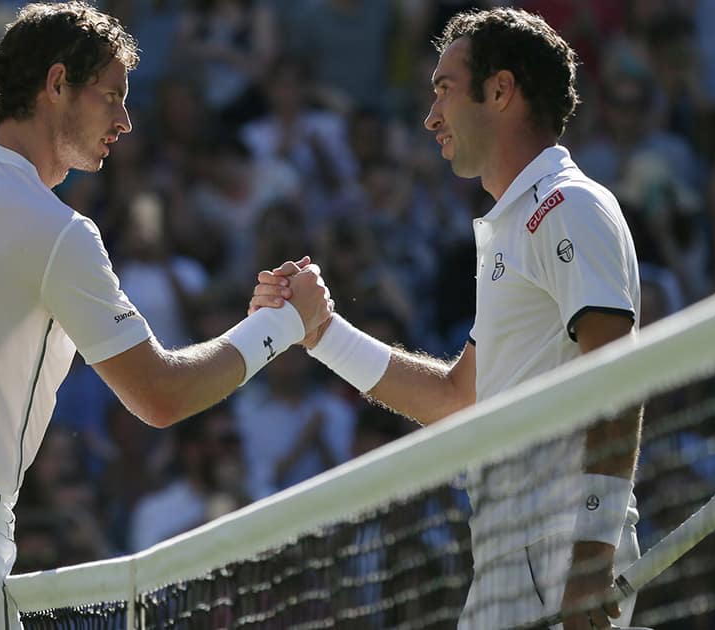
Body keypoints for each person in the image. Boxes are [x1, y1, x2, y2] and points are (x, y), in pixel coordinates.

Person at [0, 3, 331, 628]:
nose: (125, 121)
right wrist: (282, 326)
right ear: (55, 86)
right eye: (111, 97)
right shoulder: (61, 233)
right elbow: (159, 396)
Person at [252, 8, 643, 630]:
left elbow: (618, 383)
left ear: (500, 91)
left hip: (558, 556)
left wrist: (591, 557)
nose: (430, 116)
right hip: (510, 558)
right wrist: (321, 332)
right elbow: (458, 398)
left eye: (443, 89)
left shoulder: (568, 207)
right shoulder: (519, 225)